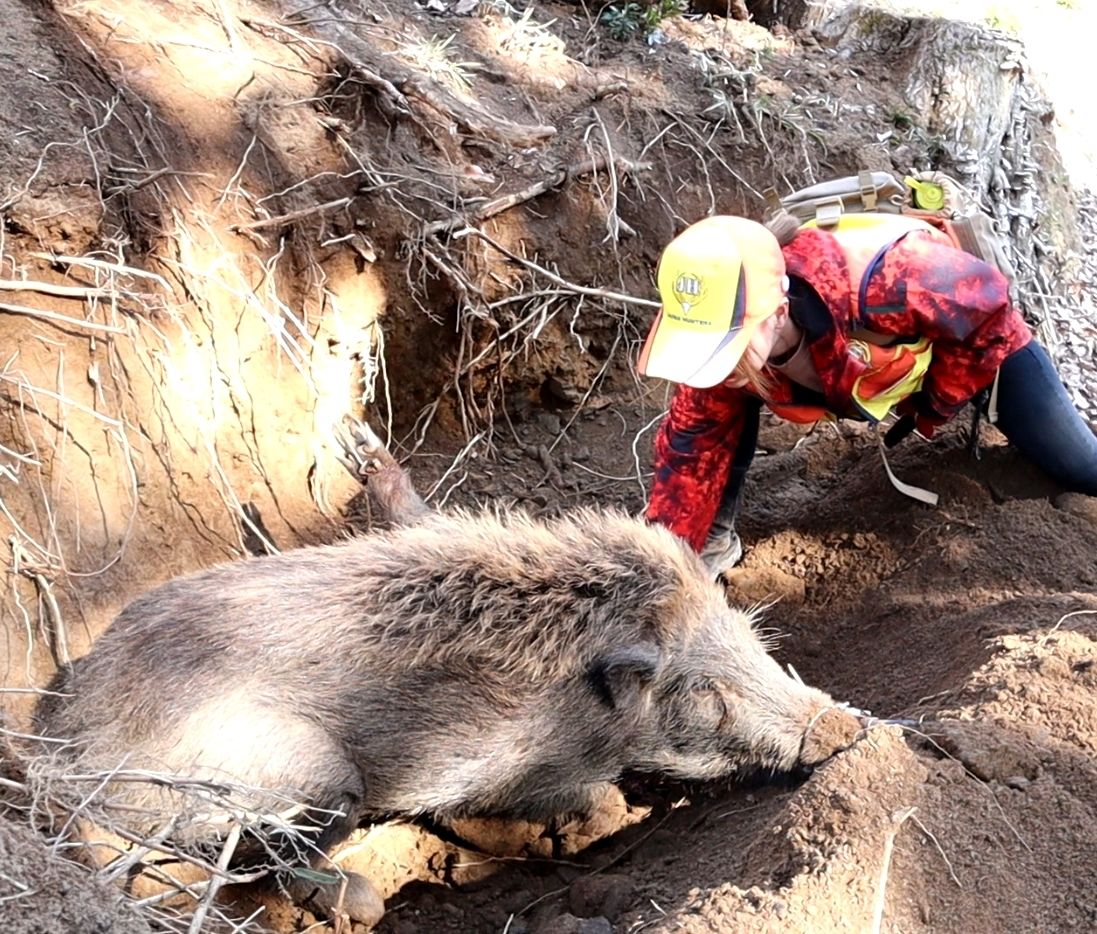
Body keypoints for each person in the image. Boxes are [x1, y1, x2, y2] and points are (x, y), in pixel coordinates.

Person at [636, 213, 1097, 575]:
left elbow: (989, 311)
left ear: (777, 312)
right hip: (875, 367)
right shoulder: (723, 354)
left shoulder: (890, 281)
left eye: (729, 343)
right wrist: (669, 565)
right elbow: (688, 459)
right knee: (716, 413)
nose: (717, 365)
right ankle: (713, 548)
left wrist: (936, 403)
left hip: (977, 343)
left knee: (1081, 466)